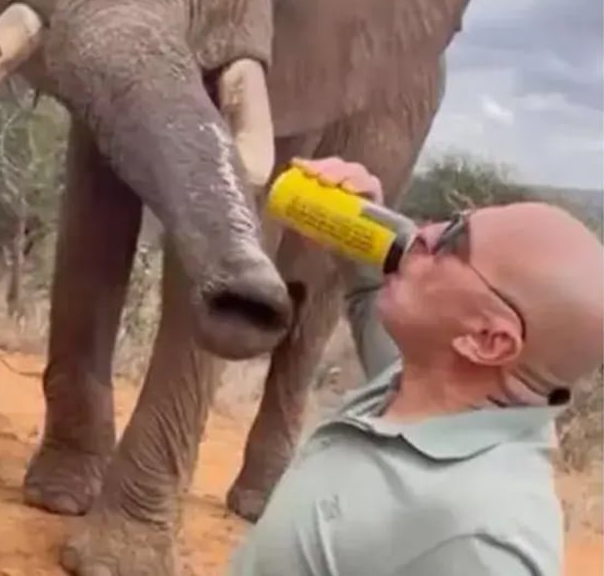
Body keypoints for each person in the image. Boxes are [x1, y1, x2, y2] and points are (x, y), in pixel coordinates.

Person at [229, 156, 604, 575]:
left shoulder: (486, 538)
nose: (423, 232)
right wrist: (359, 219)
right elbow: (370, 288)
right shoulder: (422, 384)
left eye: (453, 244)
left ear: (487, 340)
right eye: (452, 219)